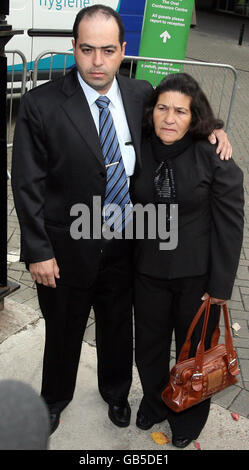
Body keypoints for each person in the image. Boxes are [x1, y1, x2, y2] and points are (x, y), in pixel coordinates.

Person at [11, 5, 232, 435]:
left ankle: (116, 392)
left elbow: (177, 123)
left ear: (122, 50)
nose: (98, 61)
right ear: (73, 48)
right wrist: (37, 251)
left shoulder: (140, 94)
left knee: (117, 329)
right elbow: (26, 184)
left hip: (127, 244)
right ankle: (54, 399)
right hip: (65, 248)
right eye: (87, 49)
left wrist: (214, 130)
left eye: (108, 50)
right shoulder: (42, 105)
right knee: (63, 331)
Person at [131, 73, 244, 448]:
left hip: (197, 278)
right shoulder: (140, 147)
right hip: (147, 269)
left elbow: (230, 224)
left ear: (194, 117)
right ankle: (155, 399)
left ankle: (189, 414)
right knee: (148, 344)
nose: (169, 117)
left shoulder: (214, 155)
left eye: (180, 111)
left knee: (194, 351)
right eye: (163, 108)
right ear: (152, 112)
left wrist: (220, 288)